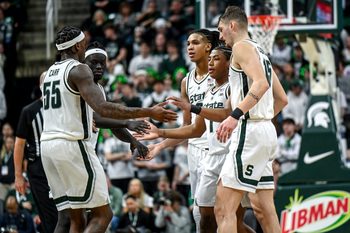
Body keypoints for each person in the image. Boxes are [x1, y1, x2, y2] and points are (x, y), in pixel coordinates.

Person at [40, 26, 177, 233]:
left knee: (70, 217)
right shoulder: (78, 71)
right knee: (103, 215)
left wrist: (131, 137)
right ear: (78, 46)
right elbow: (102, 111)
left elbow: (100, 115)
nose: (97, 67)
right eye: (84, 43)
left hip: (48, 146)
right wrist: (146, 111)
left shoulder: (49, 73)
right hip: (72, 145)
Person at [137, 46, 254, 233]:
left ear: (228, 63)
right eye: (210, 59)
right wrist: (160, 134)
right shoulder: (208, 93)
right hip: (212, 156)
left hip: (232, 155)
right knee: (203, 214)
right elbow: (195, 129)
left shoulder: (235, 87)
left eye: (216, 59)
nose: (211, 63)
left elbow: (226, 113)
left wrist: (192, 107)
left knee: (231, 218)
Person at [213, 6, 287, 233]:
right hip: (265, 132)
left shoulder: (241, 47)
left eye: (221, 29)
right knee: (265, 210)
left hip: (250, 131)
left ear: (232, 26)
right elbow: (282, 99)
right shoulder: (261, 52)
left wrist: (237, 116)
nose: (220, 35)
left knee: (223, 208)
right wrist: (261, 119)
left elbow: (261, 84)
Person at [139, 28, 219, 232]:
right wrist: (159, 146)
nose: (190, 47)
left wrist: (161, 134)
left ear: (208, 46)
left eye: (195, 43)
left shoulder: (220, 75)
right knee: (199, 213)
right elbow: (188, 128)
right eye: (188, 44)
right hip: (194, 149)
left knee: (218, 213)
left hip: (217, 148)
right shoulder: (186, 82)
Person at [14, 71, 58, 233]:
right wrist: (18, 176)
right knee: (49, 216)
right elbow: (18, 145)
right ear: (41, 86)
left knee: (67, 213)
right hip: (39, 168)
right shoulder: (29, 111)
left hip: (61, 163)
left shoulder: (63, 108)